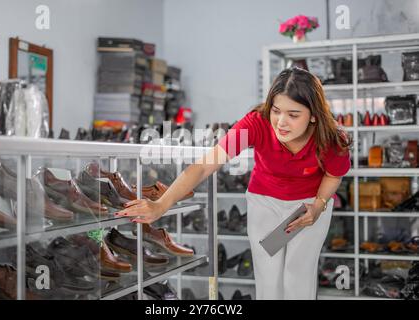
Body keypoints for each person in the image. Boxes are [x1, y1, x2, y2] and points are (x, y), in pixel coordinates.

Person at [117, 67, 352, 300]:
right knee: (269, 277)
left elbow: (333, 175)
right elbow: (204, 166)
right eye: (276, 110)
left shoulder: (331, 138)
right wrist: (161, 204)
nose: (281, 122)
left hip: (307, 207)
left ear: (313, 115)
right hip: (266, 204)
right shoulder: (256, 124)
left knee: (296, 276)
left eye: (293, 115)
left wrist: (319, 204)